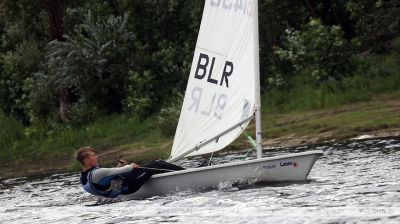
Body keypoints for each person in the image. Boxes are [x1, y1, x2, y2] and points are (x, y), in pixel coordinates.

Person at [75, 146, 184, 198]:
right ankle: (187, 173)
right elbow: (127, 169)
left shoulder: (84, 177)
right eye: (93, 156)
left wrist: (118, 167)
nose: (96, 157)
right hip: (129, 187)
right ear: (86, 160)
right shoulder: (97, 174)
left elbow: (105, 179)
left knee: (147, 167)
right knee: (157, 163)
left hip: (119, 190)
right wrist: (129, 165)